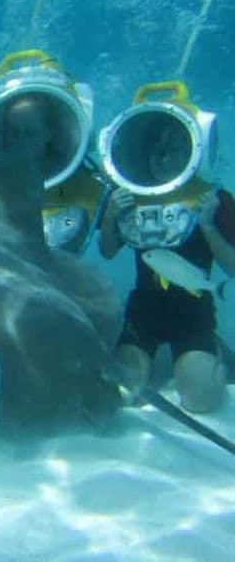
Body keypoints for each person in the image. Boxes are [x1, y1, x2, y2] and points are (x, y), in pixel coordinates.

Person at [98, 119, 235, 413]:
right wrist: (110, 217)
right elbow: (107, 252)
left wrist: (208, 225)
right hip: (144, 309)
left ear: (193, 151)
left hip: (194, 310)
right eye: (155, 150)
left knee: (202, 400)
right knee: (121, 392)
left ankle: (218, 355)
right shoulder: (129, 195)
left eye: (174, 149)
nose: (162, 159)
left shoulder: (214, 198)